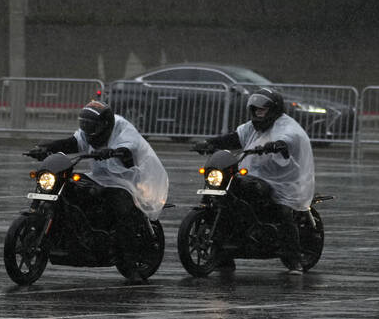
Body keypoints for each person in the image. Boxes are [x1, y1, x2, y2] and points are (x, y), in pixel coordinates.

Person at [192, 88, 315, 274]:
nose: (258, 112)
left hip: (281, 180)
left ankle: (294, 259)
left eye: (262, 109)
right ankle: (223, 255)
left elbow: (289, 139)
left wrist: (277, 144)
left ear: (273, 110)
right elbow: (234, 137)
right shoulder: (253, 127)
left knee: (282, 211)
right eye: (255, 109)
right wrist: (210, 143)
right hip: (254, 174)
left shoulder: (287, 128)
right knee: (228, 198)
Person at [29, 100, 169, 251]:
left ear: (105, 124)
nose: (87, 130)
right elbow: (73, 143)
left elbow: (128, 148)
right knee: (68, 187)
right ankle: (75, 233)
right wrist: (47, 147)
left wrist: (113, 151)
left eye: (91, 126)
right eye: (85, 125)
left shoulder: (122, 128)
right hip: (101, 177)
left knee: (120, 205)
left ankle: (127, 254)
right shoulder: (89, 132)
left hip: (129, 180)